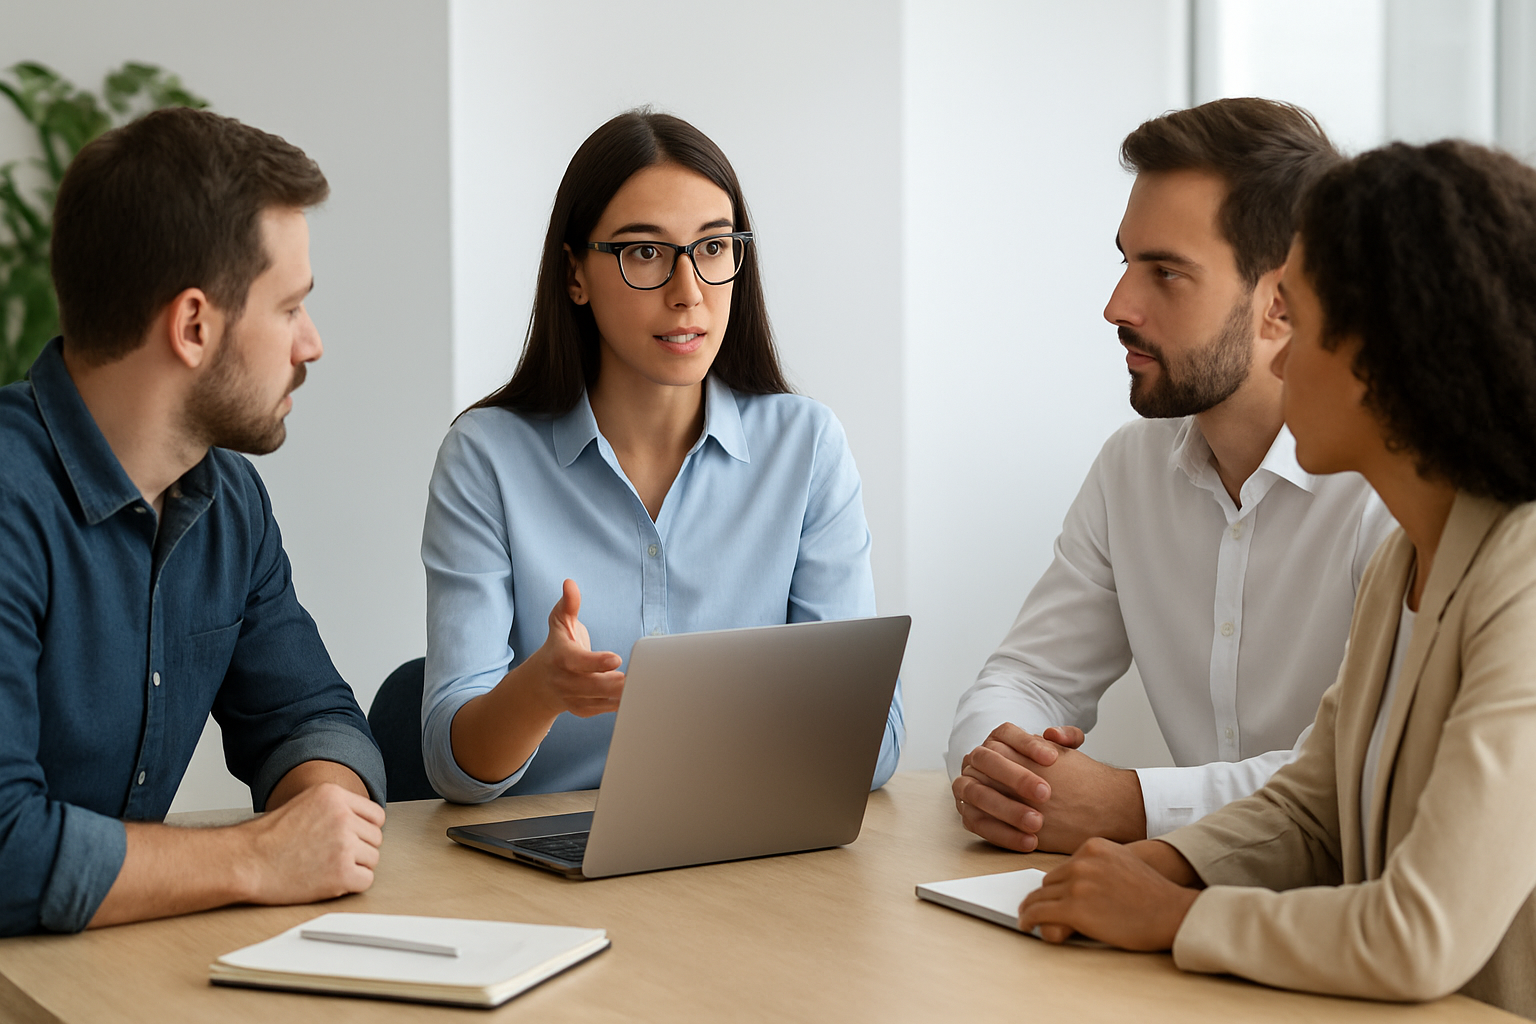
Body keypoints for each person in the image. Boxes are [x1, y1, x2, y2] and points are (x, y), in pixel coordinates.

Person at [1018, 139, 1536, 1019]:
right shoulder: (1414, 557)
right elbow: (1313, 808)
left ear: (1388, 352)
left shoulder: (1523, 577)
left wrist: (1180, 914)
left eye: (1301, 319)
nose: (1283, 358)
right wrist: (1170, 860)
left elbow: (1420, 936)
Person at [948, 98, 1396, 853]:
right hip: (1177, 906)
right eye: (1125, 260)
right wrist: (1015, 775)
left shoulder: (1390, 489)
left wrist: (1134, 806)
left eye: (1166, 273)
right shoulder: (1132, 469)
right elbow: (1023, 678)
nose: (1117, 305)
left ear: (1280, 304)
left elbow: (1375, 773)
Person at [421, 110, 903, 802]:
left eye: (712, 248)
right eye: (644, 252)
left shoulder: (807, 447)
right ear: (575, 274)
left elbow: (875, 740)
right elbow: (451, 765)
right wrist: (540, 690)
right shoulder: (486, 458)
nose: (688, 292)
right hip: (544, 866)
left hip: (747, 852)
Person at [0, 108, 388, 936]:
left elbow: (311, 717)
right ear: (193, 326)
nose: (312, 345)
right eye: (289, 310)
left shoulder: (227, 501)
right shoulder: (8, 503)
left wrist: (323, 811)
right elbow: (5, 850)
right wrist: (257, 858)